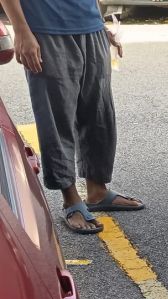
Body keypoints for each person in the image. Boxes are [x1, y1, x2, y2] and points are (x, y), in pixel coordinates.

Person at [0, 0, 144, 234]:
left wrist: (101, 25)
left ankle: (97, 191)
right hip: (46, 32)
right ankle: (71, 199)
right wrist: (22, 31)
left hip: (91, 29)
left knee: (99, 115)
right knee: (57, 119)